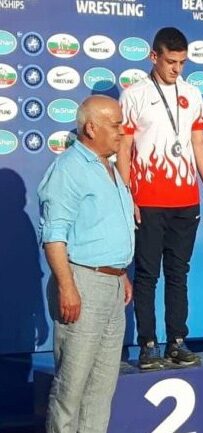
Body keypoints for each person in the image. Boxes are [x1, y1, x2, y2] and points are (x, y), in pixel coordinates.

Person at [116, 27, 203, 370]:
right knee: (147, 274)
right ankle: (147, 344)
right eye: (171, 61)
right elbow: (125, 149)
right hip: (147, 199)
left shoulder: (192, 93)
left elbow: (199, 144)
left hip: (185, 200)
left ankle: (177, 340)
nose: (177, 69)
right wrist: (127, 193)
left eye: (182, 62)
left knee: (179, 273)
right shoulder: (134, 95)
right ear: (154, 56)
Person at [39, 95, 134, 433]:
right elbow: (54, 235)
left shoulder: (108, 168)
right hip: (82, 284)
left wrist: (119, 273)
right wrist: (67, 286)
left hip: (111, 286)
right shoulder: (69, 169)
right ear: (91, 127)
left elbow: (103, 227)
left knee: (101, 390)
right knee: (71, 389)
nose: (122, 132)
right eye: (116, 125)